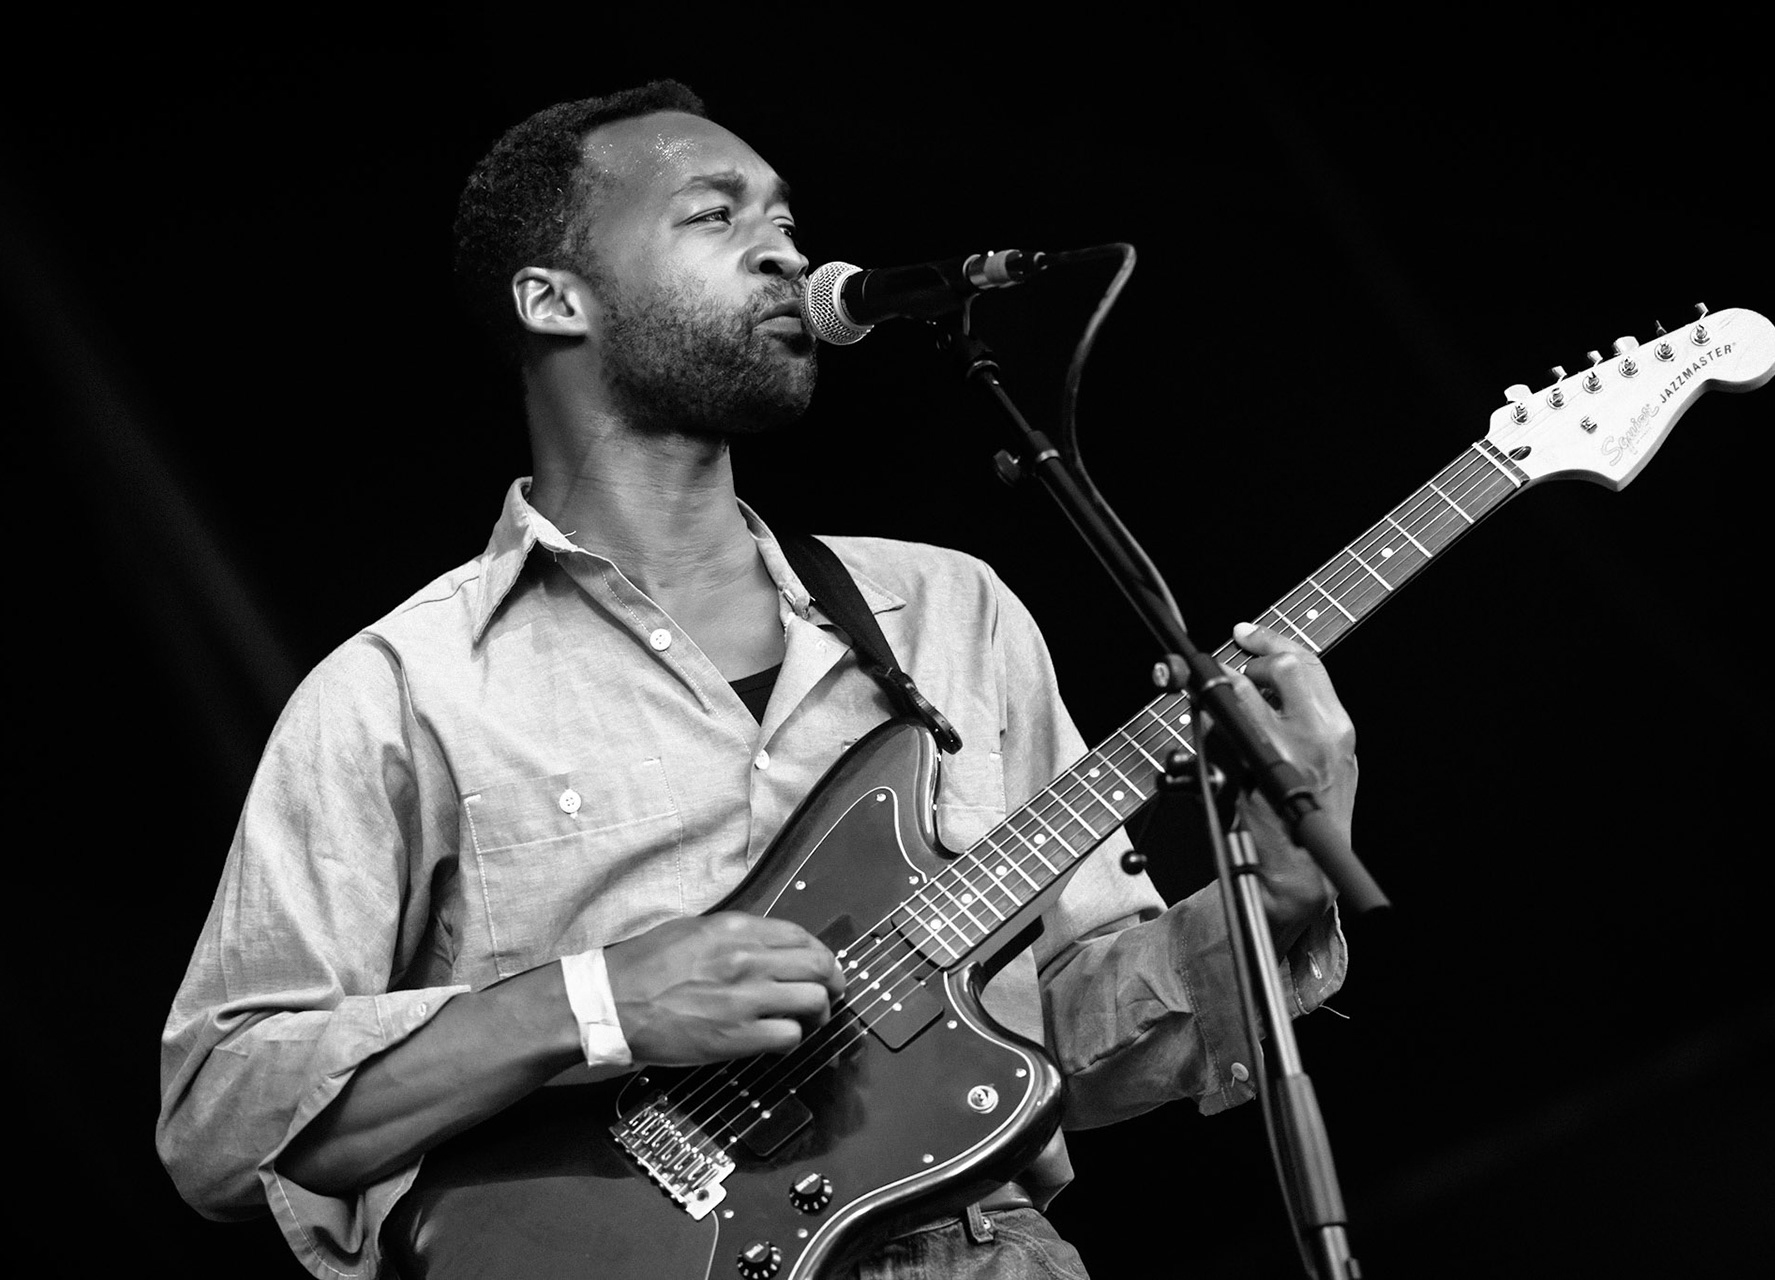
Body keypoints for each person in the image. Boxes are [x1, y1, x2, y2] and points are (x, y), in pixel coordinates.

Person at [156, 80, 1358, 1280]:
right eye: (714, 215)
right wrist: (595, 1004)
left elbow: (1071, 1039)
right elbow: (223, 1114)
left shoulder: (949, 610)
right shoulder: (399, 687)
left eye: (784, 215)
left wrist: (1280, 896)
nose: (785, 249)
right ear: (552, 297)